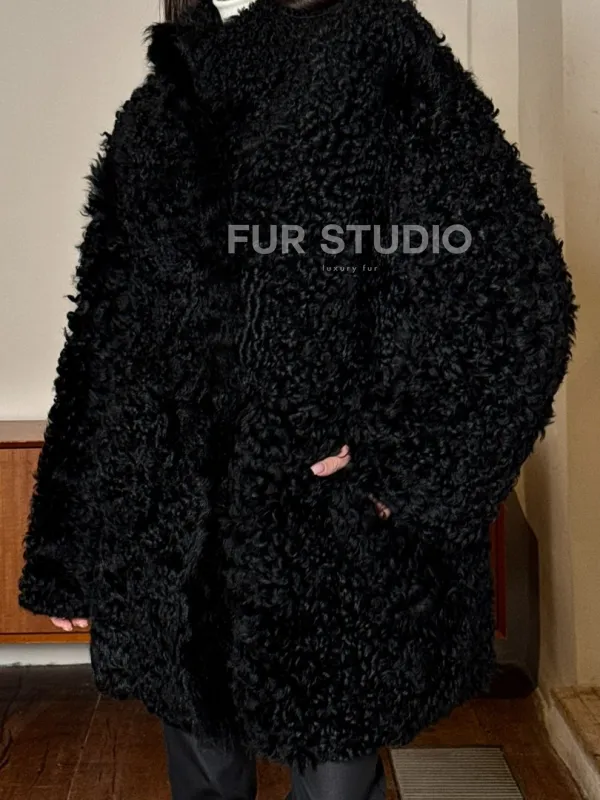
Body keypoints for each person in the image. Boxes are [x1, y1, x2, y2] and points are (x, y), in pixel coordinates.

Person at [18, 0, 577, 798]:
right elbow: (108, 332)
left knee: (324, 776)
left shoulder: (380, 58)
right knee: (211, 768)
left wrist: (399, 459)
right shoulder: (176, 93)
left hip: (322, 536)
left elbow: (512, 292)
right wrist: (70, 544)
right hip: (179, 539)